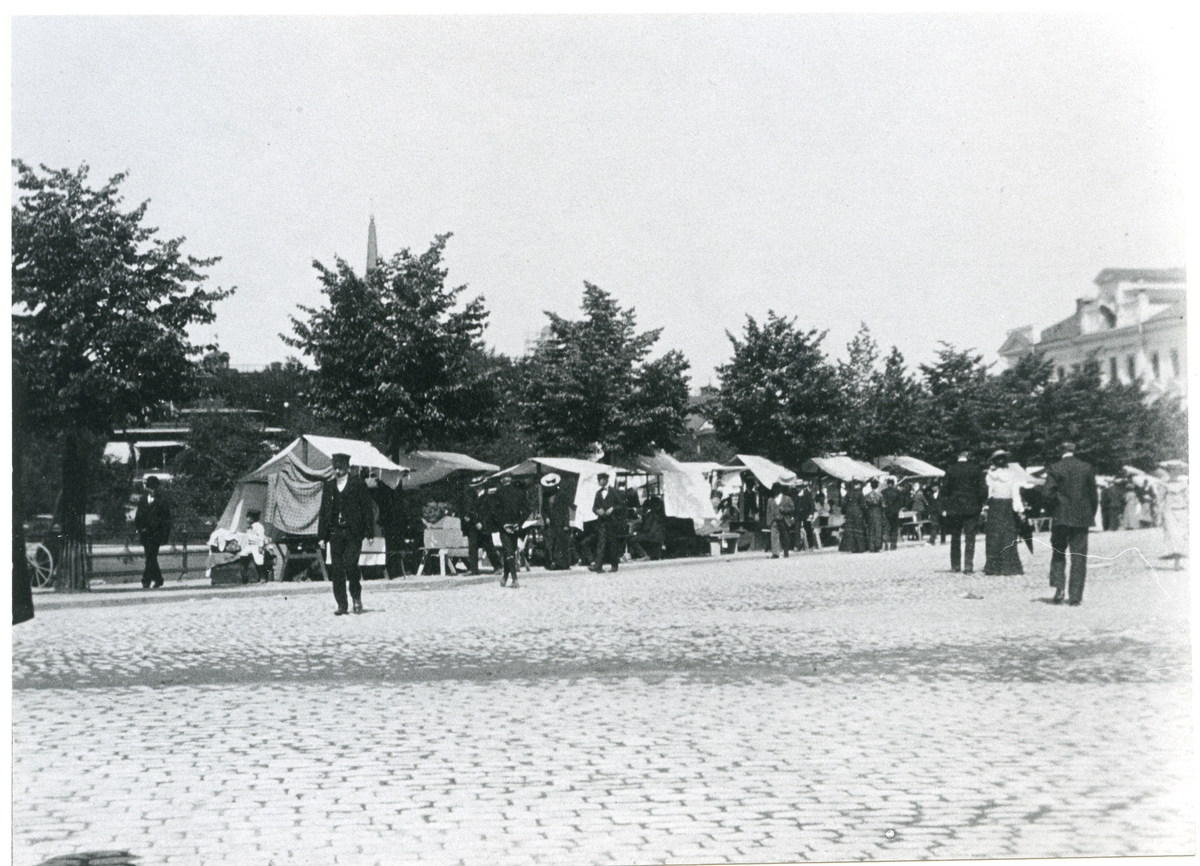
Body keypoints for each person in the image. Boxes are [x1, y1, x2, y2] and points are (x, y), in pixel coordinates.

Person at [317, 453, 375, 615]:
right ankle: (342, 604)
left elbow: (366, 508)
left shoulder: (357, 483)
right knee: (336, 570)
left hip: (353, 533)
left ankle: (356, 598)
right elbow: (324, 512)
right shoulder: (328, 486)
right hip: (335, 532)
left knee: (350, 565)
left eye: (340, 468)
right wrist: (321, 536)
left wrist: (369, 532)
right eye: (335, 468)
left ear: (347, 468)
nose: (337, 471)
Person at [1045, 442, 1098, 606]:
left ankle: (1059, 589)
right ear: (1074, 451)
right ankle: (1075, 596)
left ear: (1060, 451)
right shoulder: (1086, 467)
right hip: (1081, 518)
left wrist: (1054, 509)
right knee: (1079, 557)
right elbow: (1093, 495)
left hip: (1060, 517)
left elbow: (1047, 493)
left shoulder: (1055, 467)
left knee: (1058, 552)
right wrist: (1090, 513)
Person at [940, 450, 987, 573]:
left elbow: (944, 490)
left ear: (958, 456)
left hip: (955, 508)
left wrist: (945, 506)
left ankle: (955, 565)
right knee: (970, 537)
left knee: (955, 536)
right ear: (968, 456)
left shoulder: (950, 469)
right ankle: (968, 565)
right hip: (972, 507)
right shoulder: (976, 469)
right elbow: (982, 489)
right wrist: (981, 503)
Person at [982, 450, 1024, 575]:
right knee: (1008, 535)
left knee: (994, 535)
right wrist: (1019, 510)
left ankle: (993, 567)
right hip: (1007, 506)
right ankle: (1009, 567)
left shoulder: (990, 475)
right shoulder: (1012, 475)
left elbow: (989, 494)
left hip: (995, 506)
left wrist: (985, 508)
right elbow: (1015, 494)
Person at [134, 475, 172, 589]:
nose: (149, 489)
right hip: (145, 534)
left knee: (150, 556)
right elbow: (138, 516)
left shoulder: (162, 501)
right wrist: (140, 528)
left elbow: (167, 519)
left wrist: (165, 535)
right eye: (148, 487)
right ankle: (158, 579)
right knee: (151, 557)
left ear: (156, 487)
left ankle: (146, 580)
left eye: (151, 487)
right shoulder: (142, 499)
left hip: (156, 534)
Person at [1151, 461, 1189, 569]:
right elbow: (1159, 499)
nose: (1174, 473)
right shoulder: (1164, 484)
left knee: (1182, 535)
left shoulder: (1184, 484)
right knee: (1173, 535)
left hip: (1182, 511)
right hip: (1169, 512)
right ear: (1169, 472)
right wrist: (1159, 512)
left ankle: (1179, 559)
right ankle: (1176, 562)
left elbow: (1188, 499)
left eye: (1176, 470)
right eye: (1172, 470)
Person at [461, 475, 501, 575]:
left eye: (476, 486)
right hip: (473, 525)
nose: (475, 489)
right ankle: (473, 569)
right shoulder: (473, 497)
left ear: (481, 486)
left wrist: (482, 523)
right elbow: (471, 510)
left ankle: (498, 566)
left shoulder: (488, 497)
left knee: (489, 546)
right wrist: (468, 516)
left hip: (483, 526)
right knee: (472, 547)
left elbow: (489, 512)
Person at [495, 474, 529, 587]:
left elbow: (494, 513)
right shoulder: (520, 493)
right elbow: (527, 510)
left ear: (501, 481)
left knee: (508, 551)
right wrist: (519, 523)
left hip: (504, 528)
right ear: (511, 480)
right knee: (510, 551)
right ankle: (505, 577)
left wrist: (502, 524)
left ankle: (515, 579)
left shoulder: (498, 493)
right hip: (515, 527)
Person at [590, 472, 622, 573]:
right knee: (601, 543)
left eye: (600, 480)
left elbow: (621, 505)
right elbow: (594, 507)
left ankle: (614, 566)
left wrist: (613, 508)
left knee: (613, 543)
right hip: (602, 522)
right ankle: (598, 566)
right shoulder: (598, 493)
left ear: (605, 480)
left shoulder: (614, 492)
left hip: (612, 522)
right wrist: (597, 511)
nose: (599, 482)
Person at [540, 473, 573, 570]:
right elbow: (543, 509)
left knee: (560, 543)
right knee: (550, 543)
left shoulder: (561, 494)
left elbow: (565, 510)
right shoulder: (545, 495)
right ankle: (552, 562)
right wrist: (545, 517)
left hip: (560, 522)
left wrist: (566, 523)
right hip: (550, 523)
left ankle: (562, 564)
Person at [628, 494, 667, 561]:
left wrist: (637, 531)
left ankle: (643, 555)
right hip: (659, 536)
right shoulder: (658, 514)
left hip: (652, 535)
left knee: (632, 540)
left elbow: (646, 528)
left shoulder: (650, 515)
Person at [765, 482, 795, 558]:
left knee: (785, 536)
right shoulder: (770, 500)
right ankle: (775, 553)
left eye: (776, 489)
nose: (775, 491)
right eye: (774, 490)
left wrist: (784, 510)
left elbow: (792, 508)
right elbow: (768, 512)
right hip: (774, 521)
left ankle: (786, 552)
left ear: (780, 490)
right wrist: (769, 522)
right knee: (774, 537)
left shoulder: (787, 498)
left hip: (783, 520)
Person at [838, 481, 868, 553]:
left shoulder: (848, 494)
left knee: (850, 530)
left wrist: (844, 511)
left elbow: (844, 504)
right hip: (857, 512)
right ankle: (860, 547)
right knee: (858, 528)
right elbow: (863, 505)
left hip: (849, 512)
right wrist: (865, 513)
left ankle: (850, 547)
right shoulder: (860, 493)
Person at [880, 477, 904, 550]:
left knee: (886, 528)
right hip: (895, 512)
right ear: (893, 484)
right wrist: (897, 509)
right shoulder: (897, 491)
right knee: (894, 528)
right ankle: (893, 545)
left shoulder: (883, 491)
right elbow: (901, 502)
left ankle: (886, 544)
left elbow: (882, 502)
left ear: (887, 484)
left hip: (886, 512)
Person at [863, 479, 886, 552]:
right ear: (877, 486)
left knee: (871, 529)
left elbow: (865, 506)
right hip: (878, 512)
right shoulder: (880, 495)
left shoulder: (867, 495)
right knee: (878, 529)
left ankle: (871, 546)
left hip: (870, 512)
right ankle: (877, 546)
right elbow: (883, 505)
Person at [793, 482, 817, 551]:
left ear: (802, 487)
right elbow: (794, 505)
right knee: (796, 529)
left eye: (799, 487)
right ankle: (797, 546)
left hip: (806, 514)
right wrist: (793, 515)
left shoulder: (807, 494)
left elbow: (812, 505)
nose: (797, 488)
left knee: (808, 529)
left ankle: (811, 545)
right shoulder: (795, 495)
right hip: (797, 514)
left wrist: (811, 514)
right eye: (797, 487)